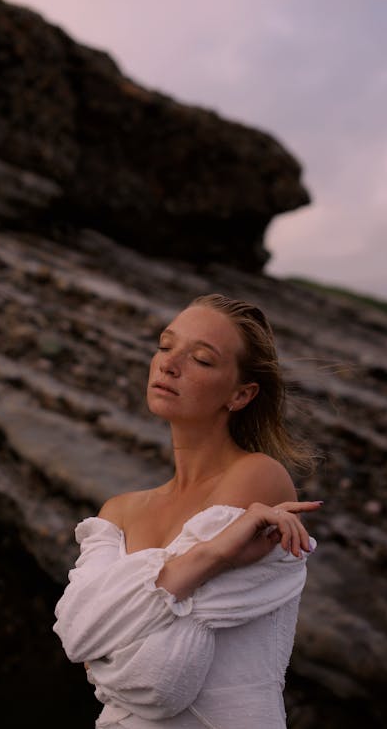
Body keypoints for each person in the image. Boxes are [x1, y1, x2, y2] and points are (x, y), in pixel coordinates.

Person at [53, 293, 321, 728]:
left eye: (201, 358)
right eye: (164, 345)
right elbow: (77, 635)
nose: (168, 364)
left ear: (240, 394)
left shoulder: (258, 479)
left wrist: (114, 628)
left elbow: (158, 676)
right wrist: (210, 555)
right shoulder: (117, 512)